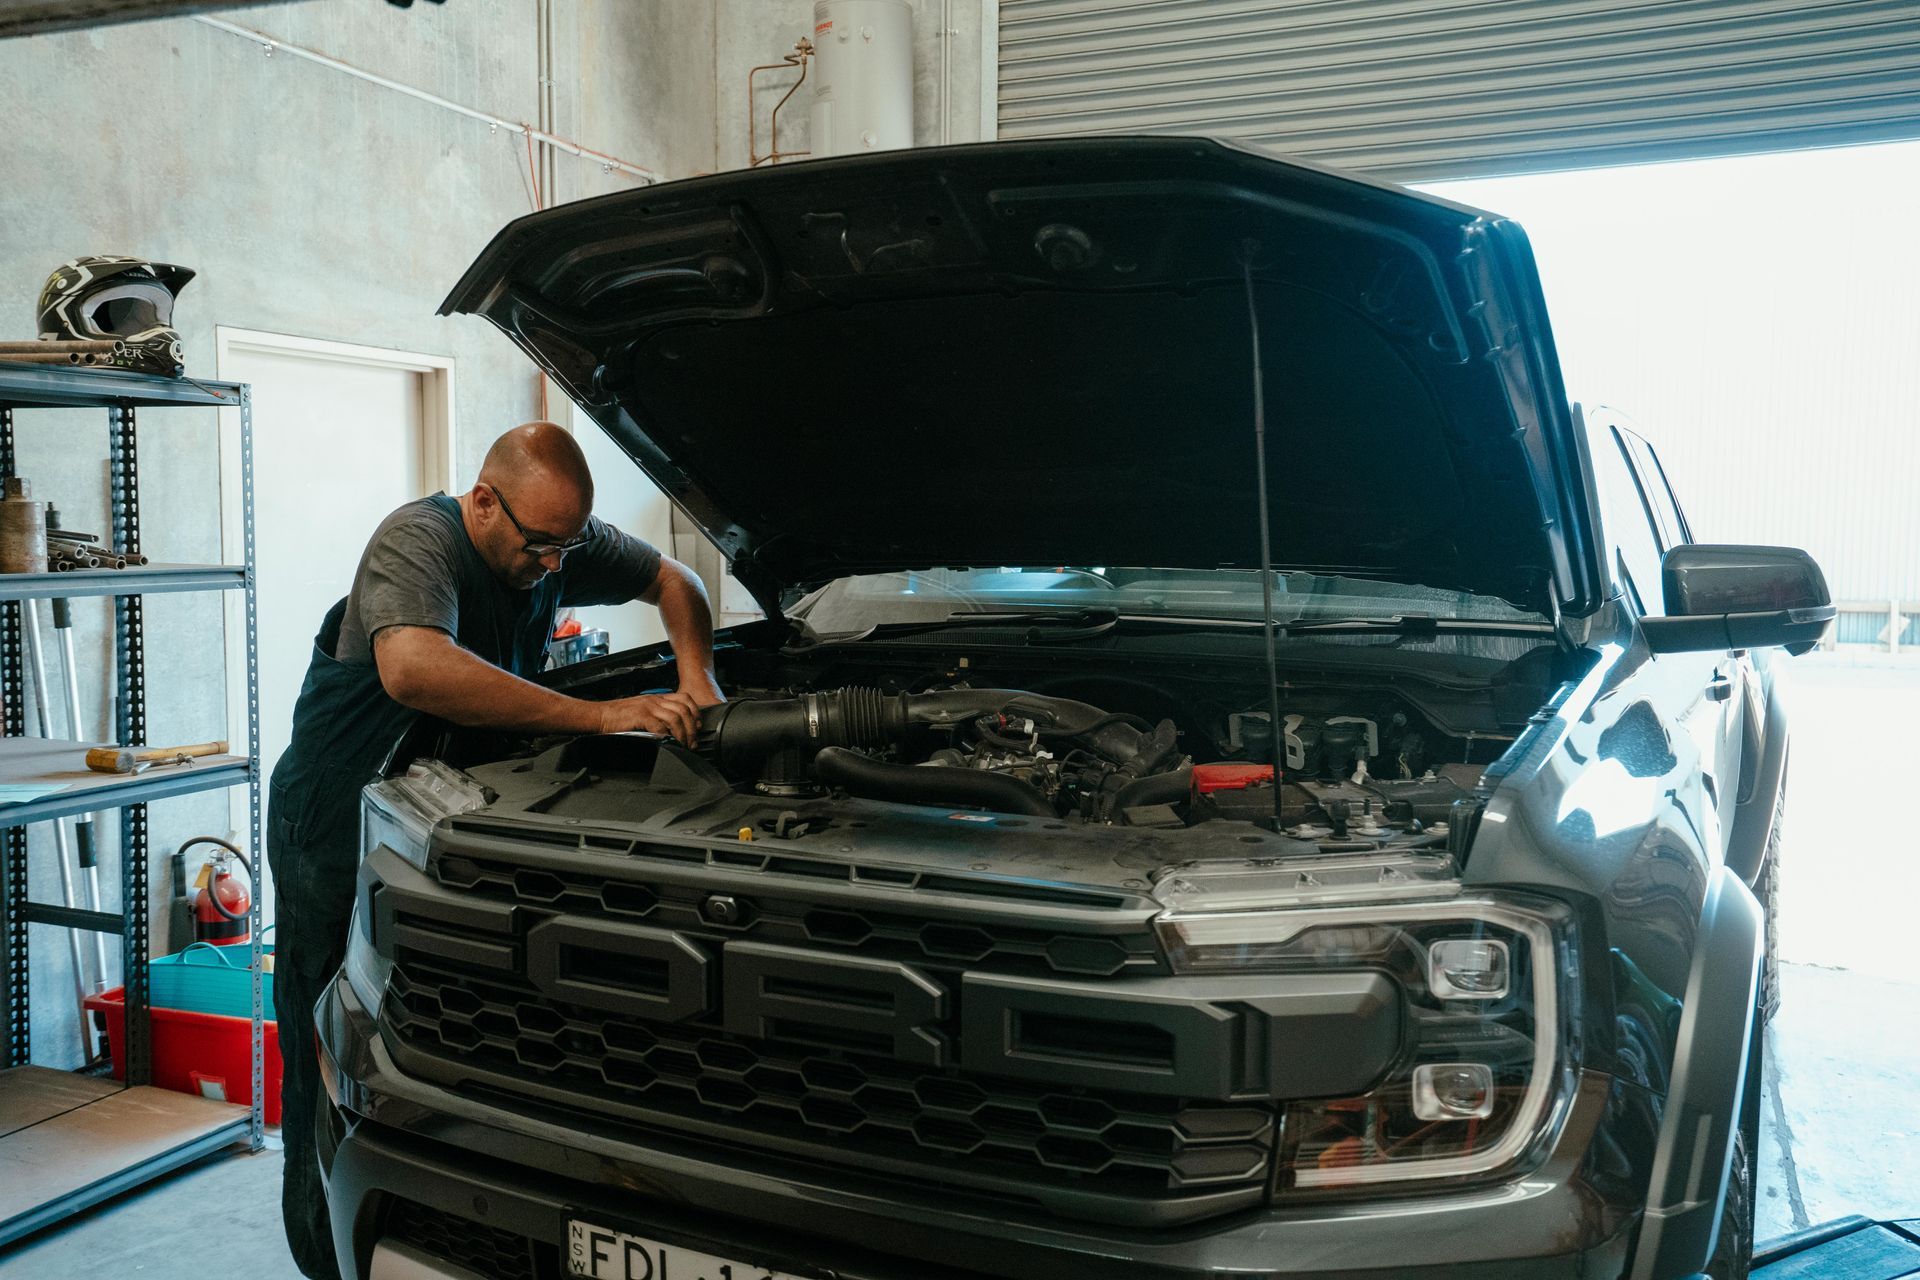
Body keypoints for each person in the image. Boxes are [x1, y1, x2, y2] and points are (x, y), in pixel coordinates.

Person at [266, 421, 722, 1279]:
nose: (555, 566)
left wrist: (699, 676)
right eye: (539, 545)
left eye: (568, 547)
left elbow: (678, 577)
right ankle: (325, 1256)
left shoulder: (556, 539)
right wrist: (603, 714)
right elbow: (414, 669)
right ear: (484, 501)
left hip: (444, 825)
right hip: (334, 822)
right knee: (330, 1050)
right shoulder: (419, 540)